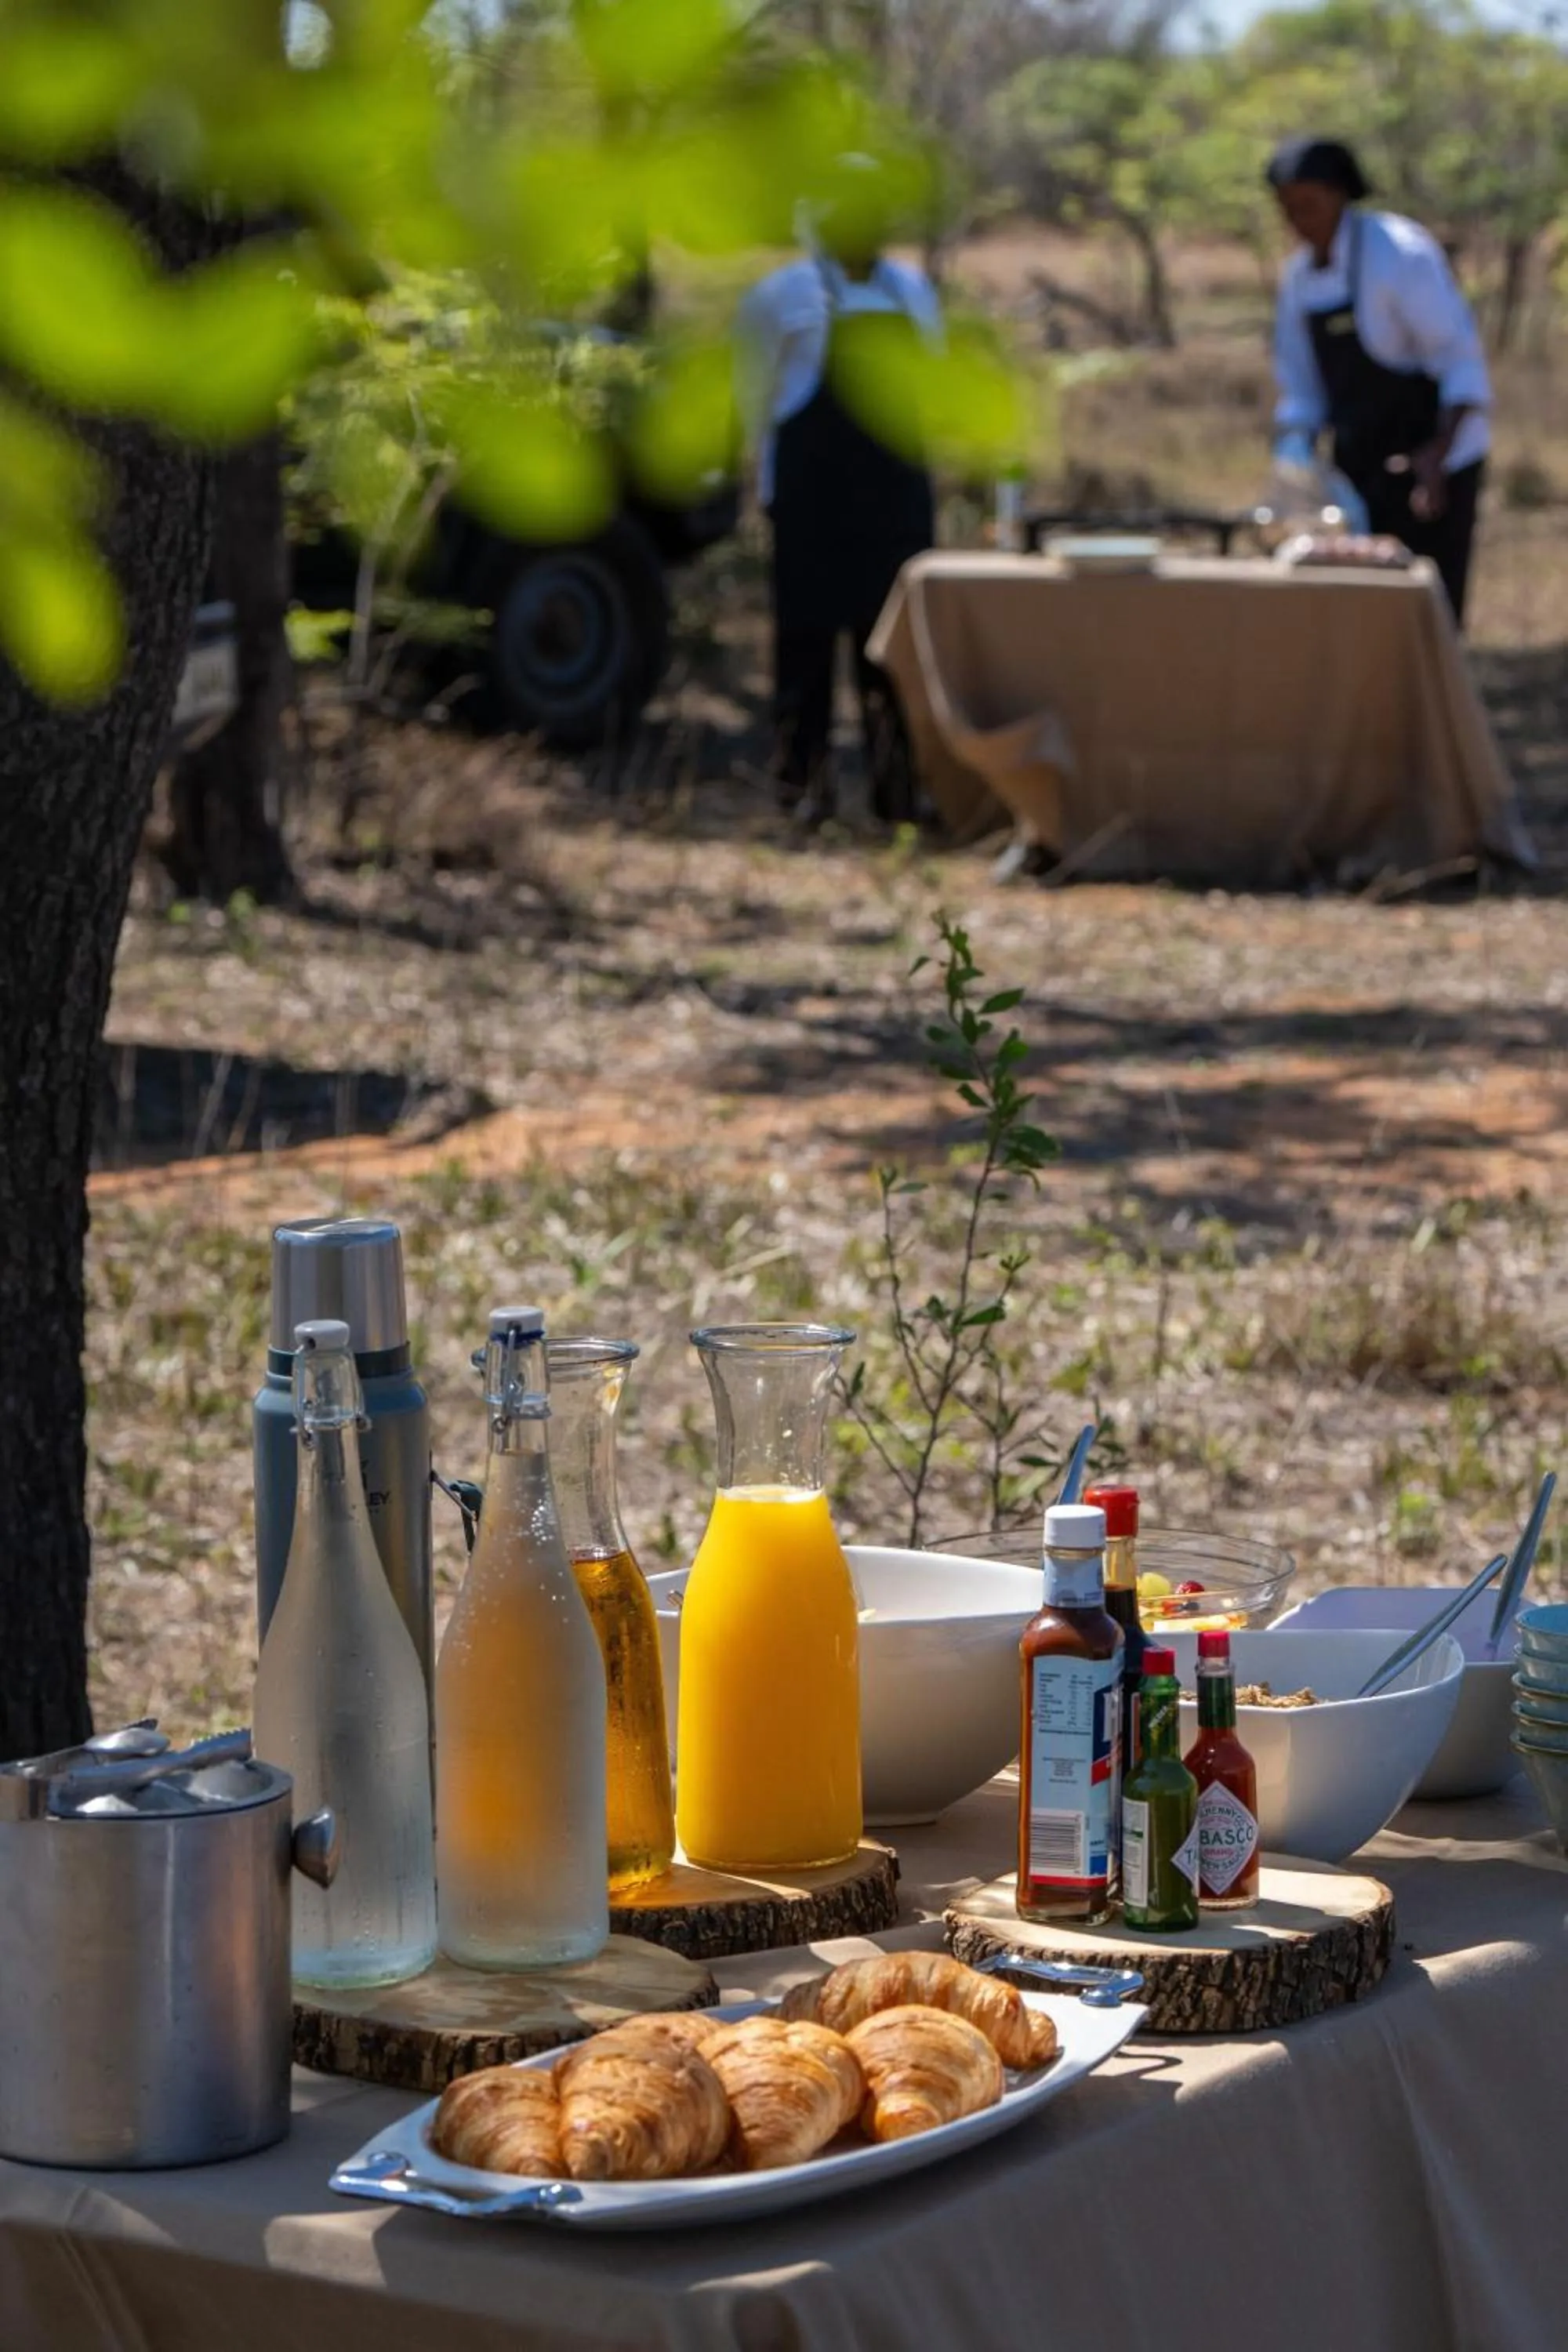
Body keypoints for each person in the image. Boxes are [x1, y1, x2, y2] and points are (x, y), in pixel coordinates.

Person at [736, 155, 941, 825]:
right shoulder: (780, 296)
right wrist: (764, 492)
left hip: (895, 502)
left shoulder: (913, 292)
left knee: (895, 650)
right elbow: (753, 401)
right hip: (811, 503)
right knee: (805, 646)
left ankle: (899, 794)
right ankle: (803, 793)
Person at [1267, 136, 1491, 625]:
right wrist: (1294, 450)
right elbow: (1302, 386)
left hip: (1433, 461)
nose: (1299, 220)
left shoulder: (1399, 254)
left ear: (1340, 195)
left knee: (1430, 612)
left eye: (1309, 205)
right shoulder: (1300, 277)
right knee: (1364, 610)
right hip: (1360, 464)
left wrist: (1438, 455)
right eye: (1288, 209)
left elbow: (1458, 361)